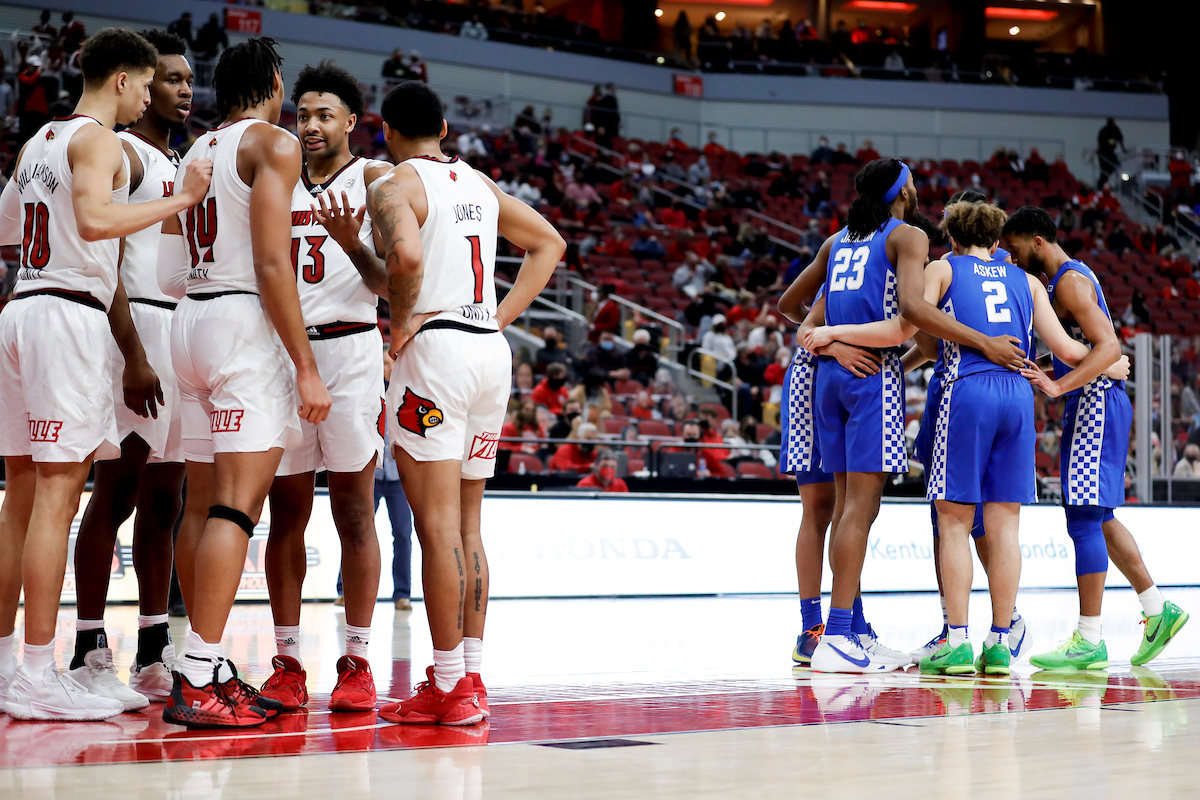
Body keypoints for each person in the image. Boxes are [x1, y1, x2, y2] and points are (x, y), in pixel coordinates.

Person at [0, 28, 212, 721]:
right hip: (68, 313)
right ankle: (40, 672)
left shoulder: (39, 142)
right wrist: (181, 200)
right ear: (123, 79)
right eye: (148, 84)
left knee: (20, 499)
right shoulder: (97, 141)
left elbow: (7, 230)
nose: (149, 97)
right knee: (58, 498)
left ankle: (7, 665)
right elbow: (94, 222)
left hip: (24, 304)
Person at [370, 80, 564, 725]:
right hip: (488, 351)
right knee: (469, 526)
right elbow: (551, 245)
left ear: (387, 130)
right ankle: (471, 677)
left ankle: (449, 685)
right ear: (445, 129)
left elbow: (404, 259)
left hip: (437, 354)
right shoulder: (479, 184)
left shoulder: (396, 184)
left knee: (436, 528)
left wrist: (400, 328)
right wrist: (501, 318)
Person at [781, 160, 1023, 674]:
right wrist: (984, 343)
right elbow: (907, 319)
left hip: (827, 375)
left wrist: (831, 340)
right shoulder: (909, 237)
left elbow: (793, 307)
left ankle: (843, 629)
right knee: (858, 510)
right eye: (912, 185)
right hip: (872, 374)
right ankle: (839, 633)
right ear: (901, 193)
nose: (917, 191)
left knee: (840, 508)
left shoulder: (838, 241)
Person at [160, 37, 333, 730]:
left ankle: (196, 662)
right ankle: (198, 673)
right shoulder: (272, 143)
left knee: (201, 504)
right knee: (236, 509)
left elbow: (169, 270)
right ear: (272, 84)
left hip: (188, 321)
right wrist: (306, 366)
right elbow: (270, 263)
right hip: (239, 325)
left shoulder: (195, 151)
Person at [256, 61, 393, 716]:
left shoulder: (375, 179)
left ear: (351, 122)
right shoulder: (277, 178)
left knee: (355, 512)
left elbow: (392, 283)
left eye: (324, 115)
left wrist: (352, 244)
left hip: (352, 352)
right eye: (303, 114)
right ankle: (287, 664)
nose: (309, 125)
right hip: (286, 354)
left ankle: (357, 663)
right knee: (286, 512)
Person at [1004, 206, 1188, 669]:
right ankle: (1157, 609)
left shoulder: (1069, 281)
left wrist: (1057, 386)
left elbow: (1109, 348)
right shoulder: (1065, 278)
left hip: (1096, 403)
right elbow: (1085, 349)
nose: (1011, 255)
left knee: (1084, 518)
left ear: (1037, 240)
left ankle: (1089, 638)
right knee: (1100, 516)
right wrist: (1040, 368)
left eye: (1014, 246)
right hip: (1098, 401)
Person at [69, 29, 194, 711]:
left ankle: (152, 649)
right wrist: (135, 354)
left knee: (166, 500)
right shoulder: (121, 152)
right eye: (169, 79)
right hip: (136, 328)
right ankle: (88, 646)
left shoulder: (181, 160)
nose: (182, 90)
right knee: (114, 493)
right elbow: (107, 263)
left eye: (187, 80)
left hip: (179, 329)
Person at [1096, 117, 1125, 189]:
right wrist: (1098, 150)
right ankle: (1101, 185)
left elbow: (1120, 140)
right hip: (1103, 152)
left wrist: (1123, 149)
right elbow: (1099, 141)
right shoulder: (1104, 130)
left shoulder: (1115, 130)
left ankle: (1105, 183)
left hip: (1111, 152)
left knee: (1114, 165)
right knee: (1104, 170)